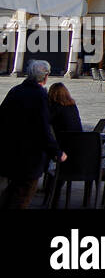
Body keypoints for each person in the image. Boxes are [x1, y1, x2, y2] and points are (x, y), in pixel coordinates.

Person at [0, 61, 66, 209]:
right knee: (22, 196)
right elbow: (43, 128)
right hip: (29, 158)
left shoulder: (15, 90)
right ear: (46, 76)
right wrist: (56, 152)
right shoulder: (40, 95)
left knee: (10, 194)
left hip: (9, 153)